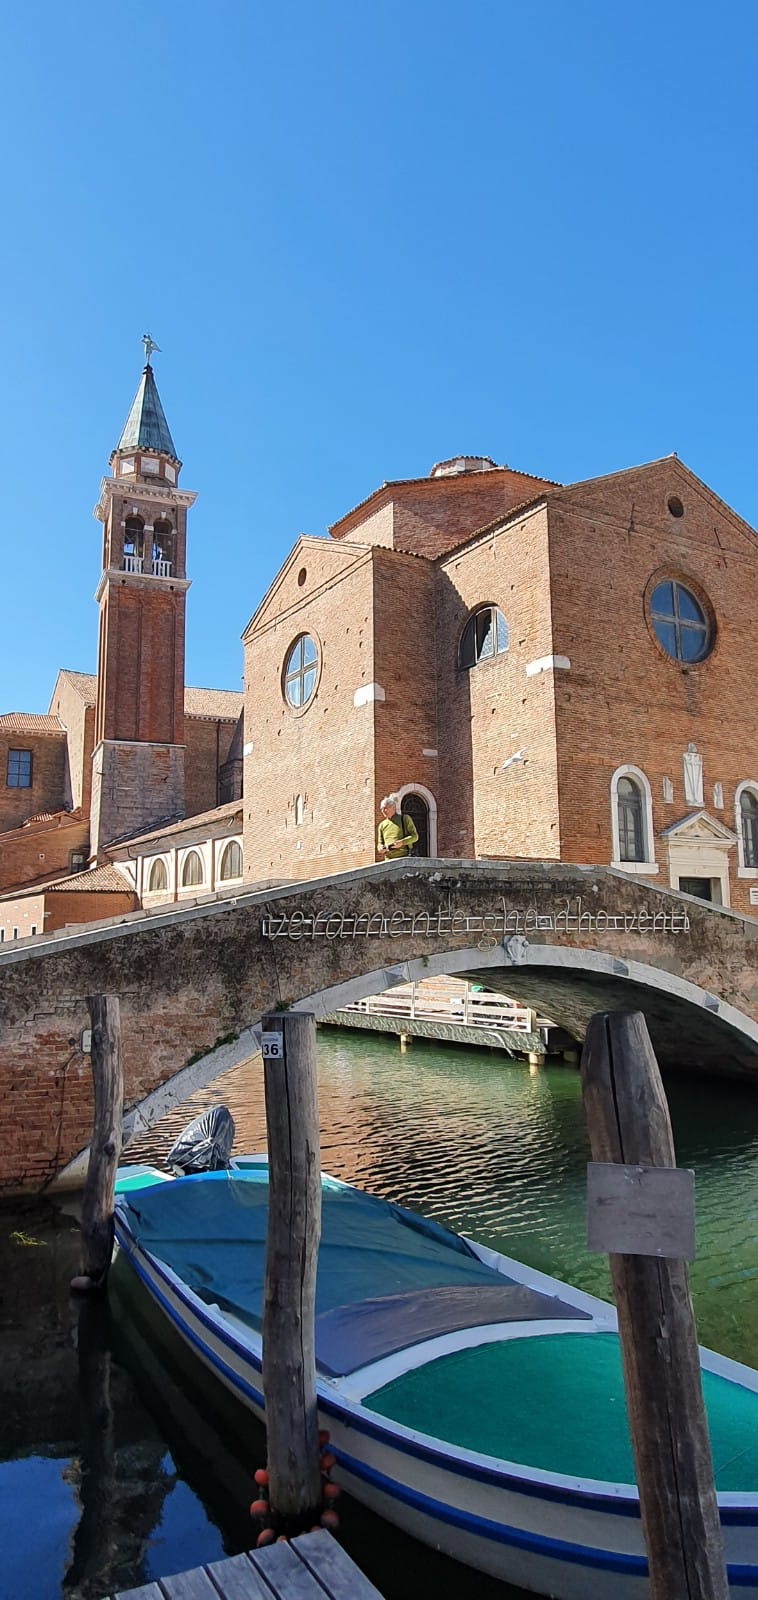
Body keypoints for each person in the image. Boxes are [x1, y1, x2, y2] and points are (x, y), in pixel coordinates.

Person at [377, 794, 418, 859]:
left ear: (393, 807)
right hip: (388, 860)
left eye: (385, 808)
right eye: (381, 809)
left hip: (405, 857)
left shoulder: (405, 819)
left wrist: (402, 842)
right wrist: (381, 848)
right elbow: (379, 843)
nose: (383, 811)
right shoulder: (382, 825)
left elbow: (415, 837)